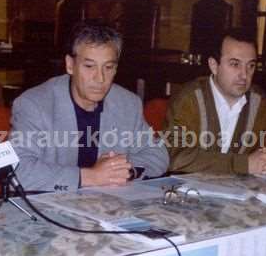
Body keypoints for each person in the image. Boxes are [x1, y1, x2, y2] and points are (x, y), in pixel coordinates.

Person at [10, 21, 168, 191]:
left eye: (108, 67)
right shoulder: (34, 104)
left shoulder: (127, 103)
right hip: (52, 206)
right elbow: (18, 170)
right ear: (70, 65)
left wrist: (124, 170)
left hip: (109, 205)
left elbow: (158, 154)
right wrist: (91, 176)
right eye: (89, 66)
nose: (100, 78)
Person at [165, 27, 266, 175]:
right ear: (214, 65)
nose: (244, 75)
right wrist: (243, 164)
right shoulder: (189, 99)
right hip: (190, 193)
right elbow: (174, 156)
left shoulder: (259, 101)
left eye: (251, 66)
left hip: (242, 194)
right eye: (235, 64)